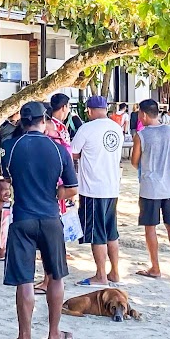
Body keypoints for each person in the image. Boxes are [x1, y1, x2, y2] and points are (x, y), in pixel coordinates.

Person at [0, 101, 77, 339]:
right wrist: (52, 194)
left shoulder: (10, 147)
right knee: (55, 275)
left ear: (22, 120)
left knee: (25, 280)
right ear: (45, 119)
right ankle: (54, 333)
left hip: (23, 218)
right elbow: (72, 188)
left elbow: (6, 180)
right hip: (51, 217)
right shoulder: (58, 149)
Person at [69, 94, 124, 287]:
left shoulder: (87, 128)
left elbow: (73, 152)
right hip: (112, 186)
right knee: (111, 231)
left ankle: (100, 275)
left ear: (89, 110)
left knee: (97, 233)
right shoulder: (116, 128)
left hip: (93, 188)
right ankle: (114, 272)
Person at [132, 99, 170, 278]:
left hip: (150, 188)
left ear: (144, 115)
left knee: (150, 227)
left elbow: (134, 161)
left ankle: (155, 267)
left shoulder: (141, 135)